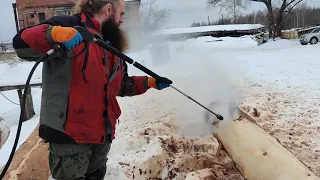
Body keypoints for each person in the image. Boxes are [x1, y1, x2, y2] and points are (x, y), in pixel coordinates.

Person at [12, 0, 172, 179]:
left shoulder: (111, 43)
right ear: (108, 9)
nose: (122, 20)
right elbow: (21, 44)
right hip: (70, 137)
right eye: (122, 14)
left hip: (101, 135)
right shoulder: (69, 26)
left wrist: (149, 82)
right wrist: (54, 33)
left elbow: (119, 85)